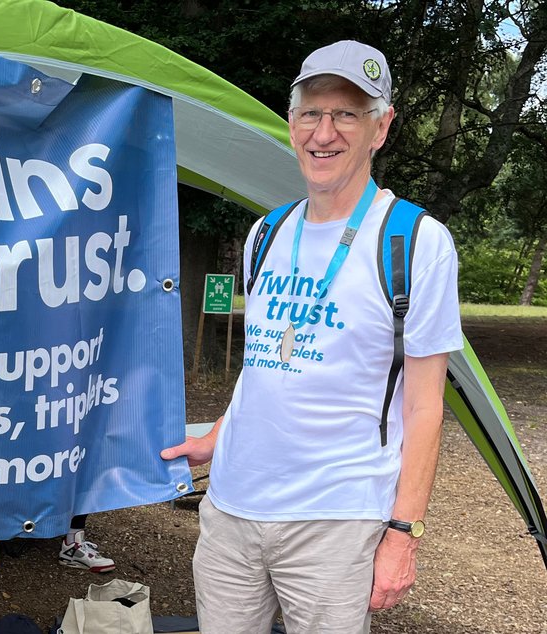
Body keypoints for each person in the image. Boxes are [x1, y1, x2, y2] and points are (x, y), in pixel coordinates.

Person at [162, 41, 462, 633]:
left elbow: (425, 407)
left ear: (381, 127)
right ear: (292, 123)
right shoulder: (265, 233)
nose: (324, 133)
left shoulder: (415, 242)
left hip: (337, 521)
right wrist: (218, 434)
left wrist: (403, 534)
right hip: (230, 510)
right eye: (310, 114)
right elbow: (265, 363)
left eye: (346, 114)